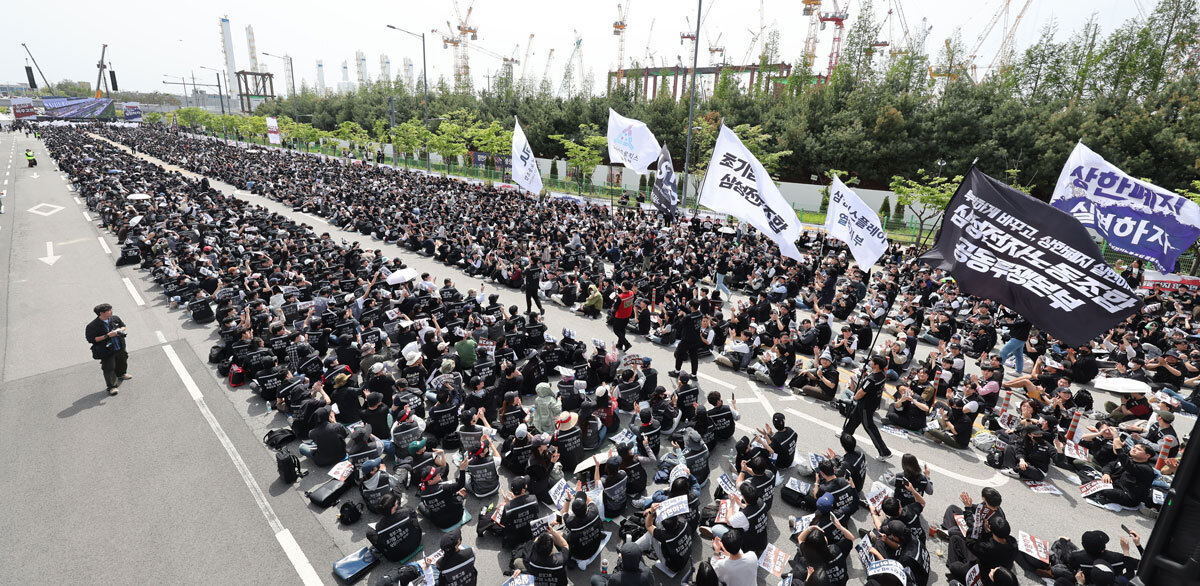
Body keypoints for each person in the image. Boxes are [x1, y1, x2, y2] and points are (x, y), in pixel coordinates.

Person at [842, 356, 892, 459]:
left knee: (869, 427)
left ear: (877, 365)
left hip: (866, 406)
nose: (870, 362)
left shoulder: (872, 380)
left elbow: (861, 392)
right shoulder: (881, 375)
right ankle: (846, 435)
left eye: (872, 361)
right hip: (871, 404)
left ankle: (884, 451)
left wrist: (854, 397)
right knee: (854, 418)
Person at [84, 303, 131, 395]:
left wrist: (120, 330)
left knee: (122, 360)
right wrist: (107, 336)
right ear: (101, 313)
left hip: (119, 346)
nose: (111, 312)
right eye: (109, 310)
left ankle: (122, 374)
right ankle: (112, 386)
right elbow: (92, 339)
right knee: (109, 367)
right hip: (106, 350)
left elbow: (123, 326)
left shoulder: (115, 318)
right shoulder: (92, 326)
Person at [366, 495, 423, 563]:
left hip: (396, 556)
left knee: (369, 533)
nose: (397, 503)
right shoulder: (407, 512)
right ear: (392, 509)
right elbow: (415, 524)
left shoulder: (379, 527)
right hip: (415, 543)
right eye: (396, 503)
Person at [589, 542, 654, 586]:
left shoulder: (615, 578)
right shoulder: (648, 573)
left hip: (619, 580)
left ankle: (604, 574)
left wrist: (621, 559)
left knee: (594, 578)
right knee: (633, 559)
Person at [611, 280, 636, 352]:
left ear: (624, 287)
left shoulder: (620, 297)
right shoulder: (631, 293)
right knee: (622, 329)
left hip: (619, 316)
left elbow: (614, 309)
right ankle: (620, 344)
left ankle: (626, 343)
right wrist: (619, 289)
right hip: (627, 315)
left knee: (616, 330)